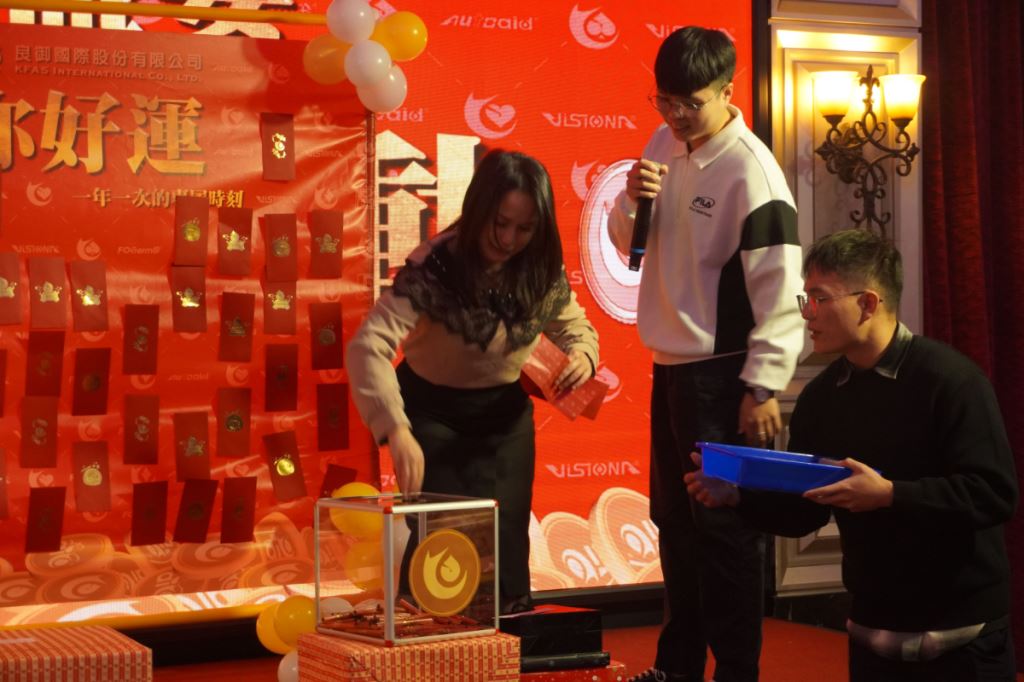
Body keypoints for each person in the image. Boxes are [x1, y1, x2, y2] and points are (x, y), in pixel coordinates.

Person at [686, 229, 1019, 682]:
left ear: (868, 303)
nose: (807, 313)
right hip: (871, 629)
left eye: (819, 298)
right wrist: (737, 496)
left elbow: (994, 493)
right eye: (805, 299)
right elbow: (804, 512)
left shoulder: (952, 381)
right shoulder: (822, 397)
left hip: (962, 637)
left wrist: (890, 495)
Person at [606, 26, 804, 682]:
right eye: (665, 101)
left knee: (724, 532)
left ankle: (736, 672)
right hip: (670, 368)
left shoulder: (752, 170)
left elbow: (780, 288)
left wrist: (763, 386)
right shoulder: (661, 142)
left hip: (723, 375)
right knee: (675, 525)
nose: (675, 116)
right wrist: (630, 199)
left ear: (727, 90)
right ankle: (677, 668)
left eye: (690, 103)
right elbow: (629, 246)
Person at [346, 149, 599, 615]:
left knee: (507, 544)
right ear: (479, 209)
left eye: (524, 228)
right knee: (444, 546)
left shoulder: (539, 265)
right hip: (433, 414)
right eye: (499, 224)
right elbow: (368, 346)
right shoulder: (435, 266)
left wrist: (584, 354)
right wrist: (396, 429)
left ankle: (508, 641)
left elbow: (574, 326)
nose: (509, 240)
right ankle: (434, 647)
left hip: (505, 419)